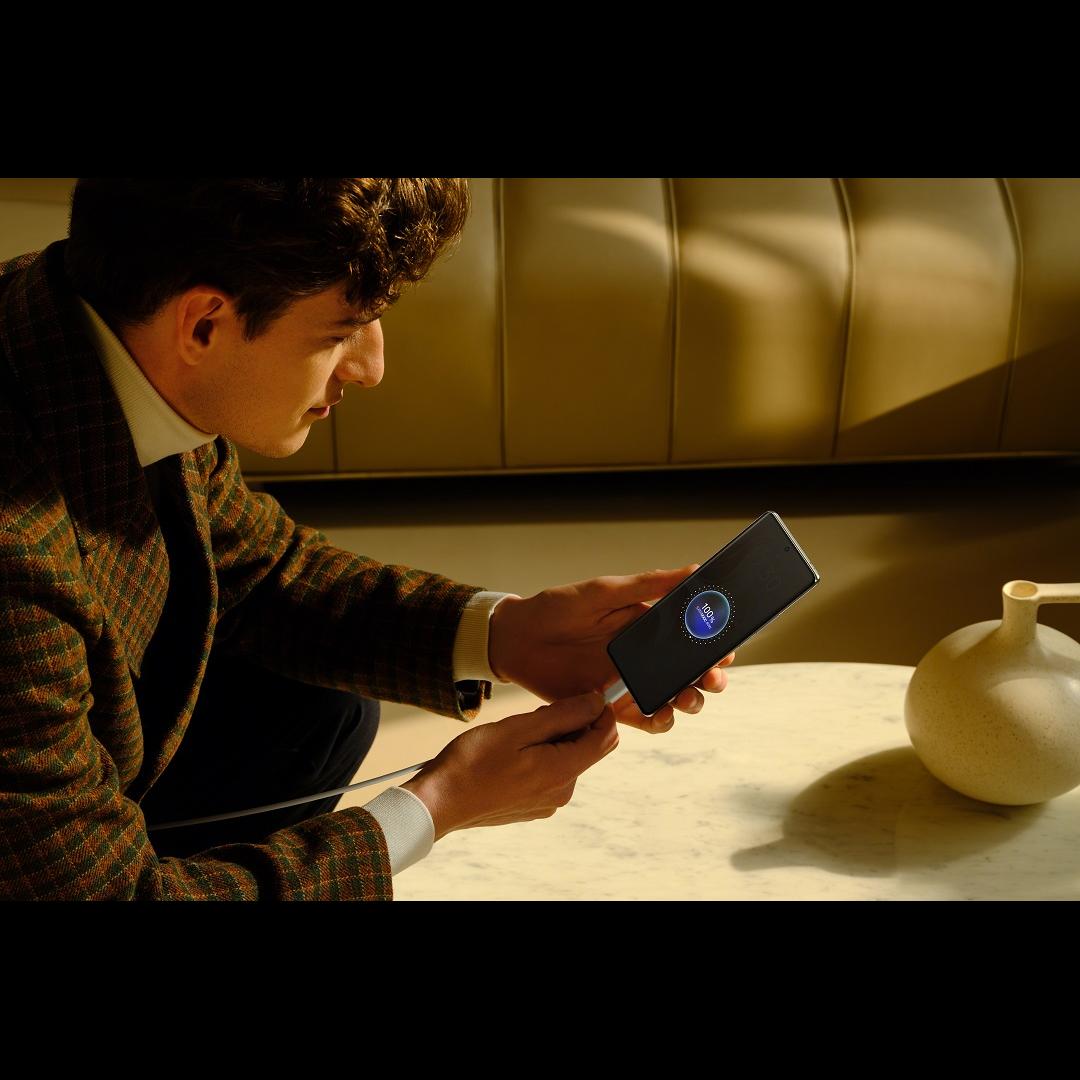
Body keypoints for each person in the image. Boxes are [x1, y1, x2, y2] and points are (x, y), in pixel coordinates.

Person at [0, 178, 733, 901]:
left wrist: (508, 634)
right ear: (203, 325)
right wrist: (433, 809)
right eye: (340, 332)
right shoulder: (17, 554)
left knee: (318, 706)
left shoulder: (100, 327)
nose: (371, 368)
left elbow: (258, 571)